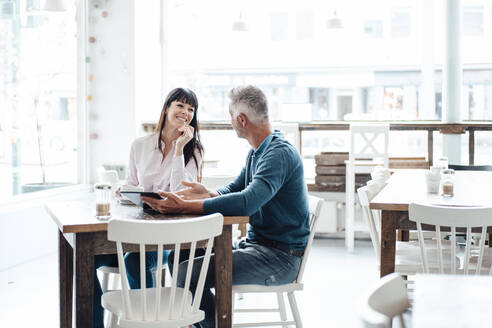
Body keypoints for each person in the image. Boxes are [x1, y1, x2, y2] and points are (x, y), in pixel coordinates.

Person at [142, 85, 310, 328]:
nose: (231, 122)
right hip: (257, 246)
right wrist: (208, 193)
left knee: (188, 272)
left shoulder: (278, 154)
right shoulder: (258, 152)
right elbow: (234, 190)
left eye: (231, 117)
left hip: (279, 258)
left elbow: (246, 202)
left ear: (241, 120)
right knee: (181, 258)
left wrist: (185, 206)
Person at [93, 87, 204, 328]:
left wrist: (178, 150)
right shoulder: (140, 145)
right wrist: (124, 189)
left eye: (191, 109)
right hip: (135, 224)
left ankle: (151, 322)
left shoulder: (192, 151)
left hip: (167, 236)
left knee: (135, 260)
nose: (185, 112)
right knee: (85, 258)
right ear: (166, 108)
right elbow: (133, 183)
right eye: (180, 106)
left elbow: (179, 193)